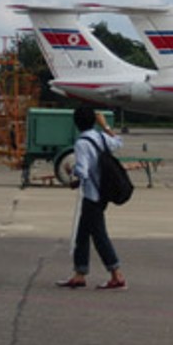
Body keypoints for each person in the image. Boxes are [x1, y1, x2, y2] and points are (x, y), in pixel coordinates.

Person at [55, 107, 127, 290]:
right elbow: (118, 142)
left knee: (99, 236)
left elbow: (83, 170)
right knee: (83, 234)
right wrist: (105, 126)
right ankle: (79, 273)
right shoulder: (100, 136)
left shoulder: (81, 143)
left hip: (92, 195)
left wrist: (71, 172)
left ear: (76, 123)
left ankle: (116, 275)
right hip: (102, 193)